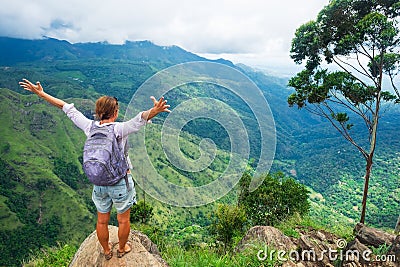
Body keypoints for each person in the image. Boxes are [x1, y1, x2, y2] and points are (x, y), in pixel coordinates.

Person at [19, 78, 170, 260]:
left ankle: (106, 251)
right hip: (120, 183)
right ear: (114, 112)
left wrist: (41, 93)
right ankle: (122, 249)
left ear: (98, 113)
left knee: (102, 220)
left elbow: (66, 107)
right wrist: (156, 110)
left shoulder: (89, 126)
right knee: (123, 220)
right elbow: (141, 118)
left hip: (99, 183)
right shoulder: (118, 129)